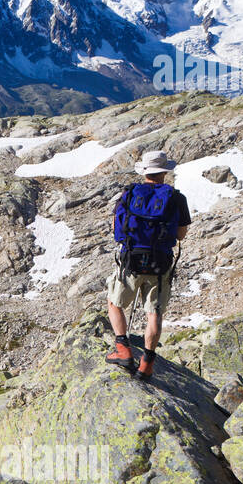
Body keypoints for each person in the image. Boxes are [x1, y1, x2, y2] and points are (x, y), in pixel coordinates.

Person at [104, 150, 191, 379]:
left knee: (115, 303)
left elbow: (117, 231)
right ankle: (147, 364)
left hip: (131, 259)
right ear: (164, 172)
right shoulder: (176, 198)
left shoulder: (130, 194)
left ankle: (122, 348)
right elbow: (181, 234)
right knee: (154, 312)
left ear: (145, 171)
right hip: (160, 262)